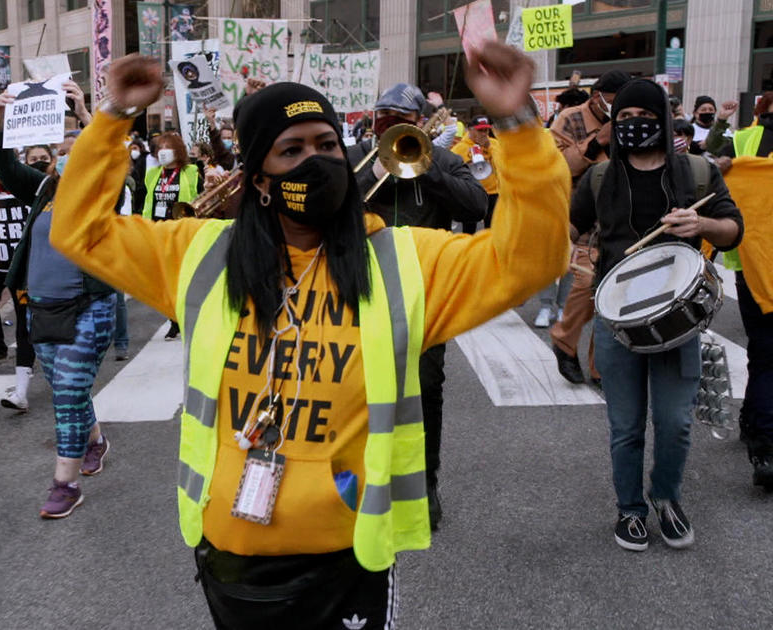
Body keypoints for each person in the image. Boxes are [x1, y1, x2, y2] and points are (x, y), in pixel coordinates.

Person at [51, 46, 568, 627]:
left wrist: (518, 126)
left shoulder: (403, 263)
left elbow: (531, 259)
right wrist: (113, 118)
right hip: (231, 555)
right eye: (291, 150)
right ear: (258, 179)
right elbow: (80, 231)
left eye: (326, 146)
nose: (316, 161)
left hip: (347, 560)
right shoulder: (198, 257)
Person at [570, 79, 742, 552]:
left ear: (663, 119)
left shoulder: (698, 172)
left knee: (675, 422)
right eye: (623, 119)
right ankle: (630, 510)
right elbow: (569, 226)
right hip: (617, 321)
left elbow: (733, 230)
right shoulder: (600, 177)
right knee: (626, 427)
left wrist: (702, 223)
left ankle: (666, 497)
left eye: (642, 116)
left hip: (676, 319)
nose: (633, 125)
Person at [356, 82, 489, 530]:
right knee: (360, 390)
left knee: (427, 391)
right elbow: (328, 205)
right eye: (383, 120)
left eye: (400, 122)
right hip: (362, 290)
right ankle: (363, 479)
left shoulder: (444, 159)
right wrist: (376, 173)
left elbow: (475, 203)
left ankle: (425, 484)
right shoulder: (358, 158)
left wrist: (423, 164)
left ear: (421, 124)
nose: (389, 129)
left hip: (423, 295)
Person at [0, 89, 117, 518]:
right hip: (41, 307)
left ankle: (65, 483)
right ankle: (95, 440)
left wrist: (84, 113)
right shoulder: (43, 188)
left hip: (90, 306)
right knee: (69, 387)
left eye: (74, 148)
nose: (65, 156)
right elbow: (5, 166)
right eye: (59, 151)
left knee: (66, 394)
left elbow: (111, 155)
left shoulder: (100, 189)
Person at [546, 69, 630, 377]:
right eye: (614, 102)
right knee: (587, 283)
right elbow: (556, 167)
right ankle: (565, 339)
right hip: (582, 214)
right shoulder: (569, 119)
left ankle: (599, 368)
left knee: (615, 291)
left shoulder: (631, 118)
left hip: (622, 213)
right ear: (597, 98)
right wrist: (597, 142)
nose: (620, 108)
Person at [712, 91, 773, 488]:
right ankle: (762, 437)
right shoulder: (744, 140)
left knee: (764, 350)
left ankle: (758, 432)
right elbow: (712, 156)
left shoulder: (746, 140)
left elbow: (710, 162)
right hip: (754, 265)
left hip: (753, 263)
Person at [0, 142, 46, 411]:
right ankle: (5, 359)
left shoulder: (40, 188)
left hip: (35, 267)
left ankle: (31, 382)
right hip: (5, 264)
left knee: (33, 323)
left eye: (42, 158)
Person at [143, 131, 203, 340]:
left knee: (183, 279)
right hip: (159, 232)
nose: (162, 152)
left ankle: (187, 319)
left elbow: (199, 196)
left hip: (182, 231)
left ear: (177, 150)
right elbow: (147, 201)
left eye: (167, 147)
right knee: (166, 282)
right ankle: (174, 320)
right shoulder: (152, 174)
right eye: (159, 148)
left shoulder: (191, 171)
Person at [450, 115, 502, 233]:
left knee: (492, 229)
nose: (484, 134)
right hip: (471, 193)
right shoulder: (460, 148)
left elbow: (503, 164)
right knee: (469, 229)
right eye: (480, 130)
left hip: (493, 193)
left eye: (486, 130)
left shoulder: (494, 144)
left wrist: (490, 148)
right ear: (470, 130)